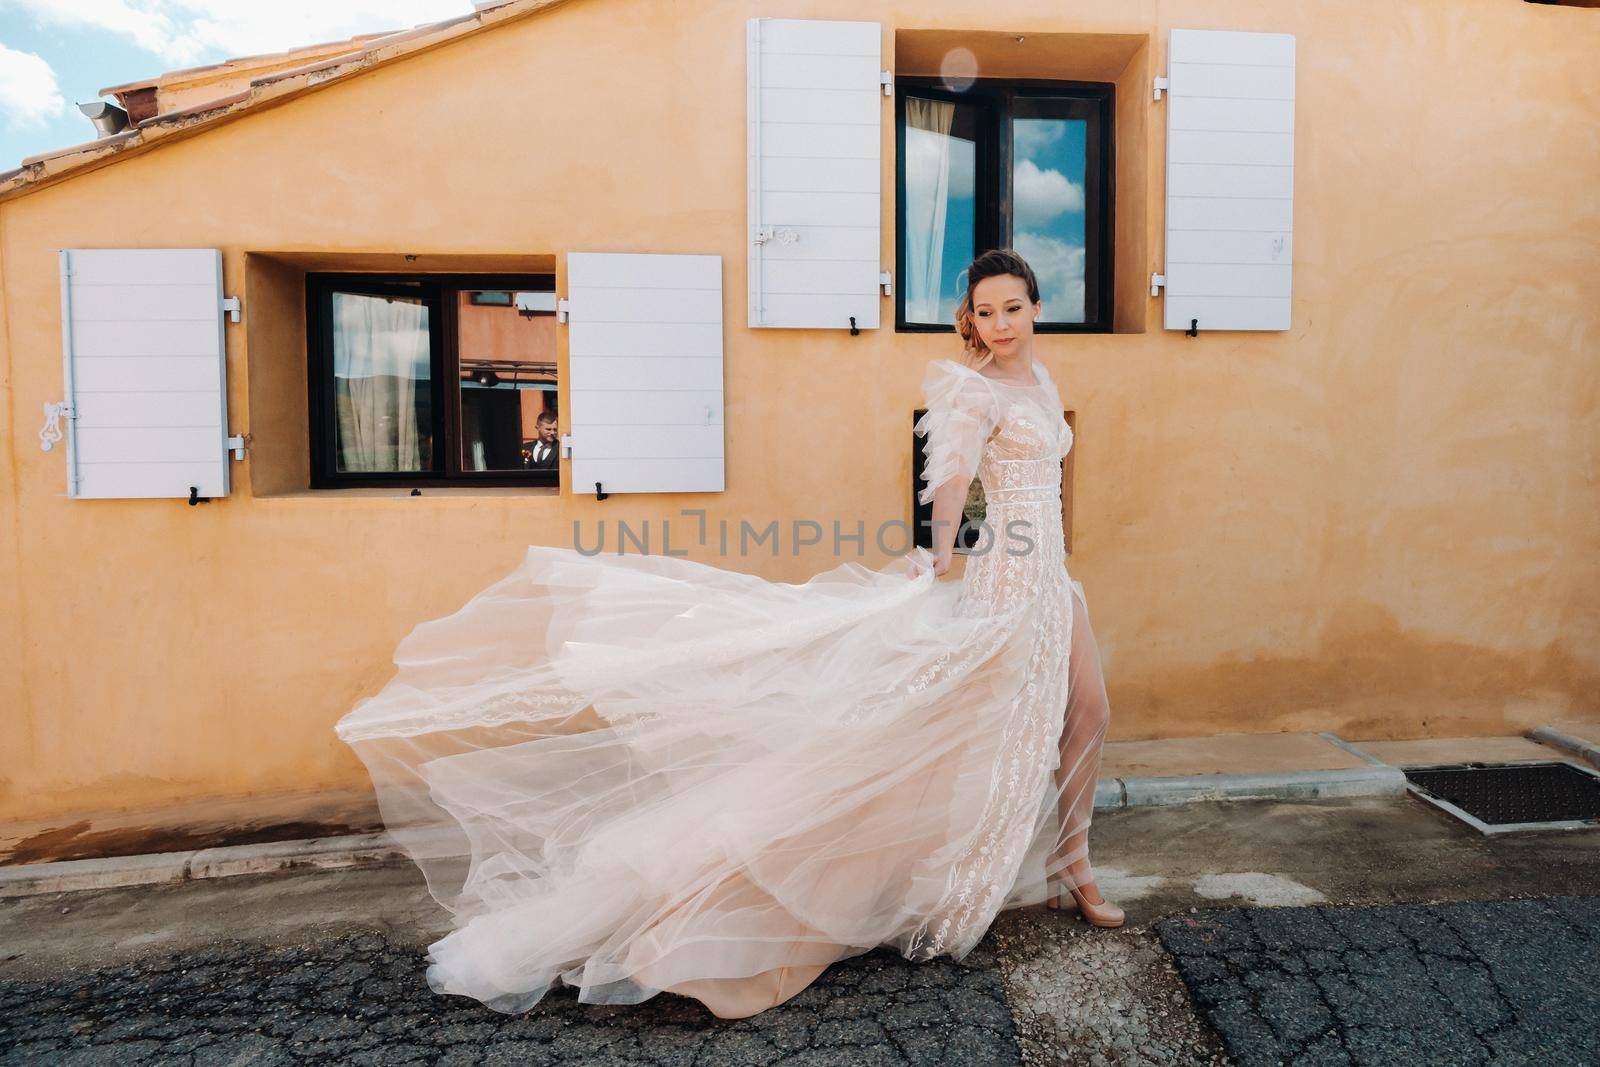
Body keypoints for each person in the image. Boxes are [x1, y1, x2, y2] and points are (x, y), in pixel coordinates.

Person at [333, 248, 1121, 1021]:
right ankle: (976, 877)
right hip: (1007, 583)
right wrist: (938, 554)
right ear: (971, 319)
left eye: (1012, 307)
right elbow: (951, 485)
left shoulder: (1042, 382)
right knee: (936, 733)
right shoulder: (974, 392)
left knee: (1089, 714)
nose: (999, 323)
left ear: (1035, 306)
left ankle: (1072, 867)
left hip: (1051, 577)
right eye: (984, 311)